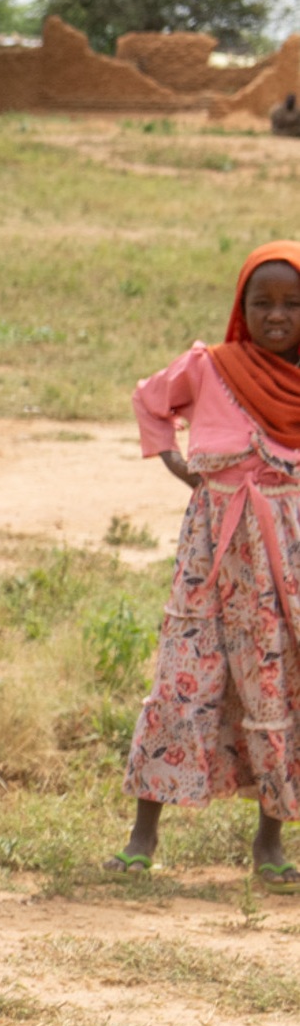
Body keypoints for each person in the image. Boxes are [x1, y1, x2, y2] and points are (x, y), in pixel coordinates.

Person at [121, 242, 300, 876]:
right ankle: (143, 838)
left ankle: (270, 844)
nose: (276, 316)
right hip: (212, 551)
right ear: (240, 308)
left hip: (284, 563)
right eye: (262, 303)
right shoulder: (212, 367)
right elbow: (151, 400)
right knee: (183, 674)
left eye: (292, 304)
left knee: (276, 681)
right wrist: (177, 464)